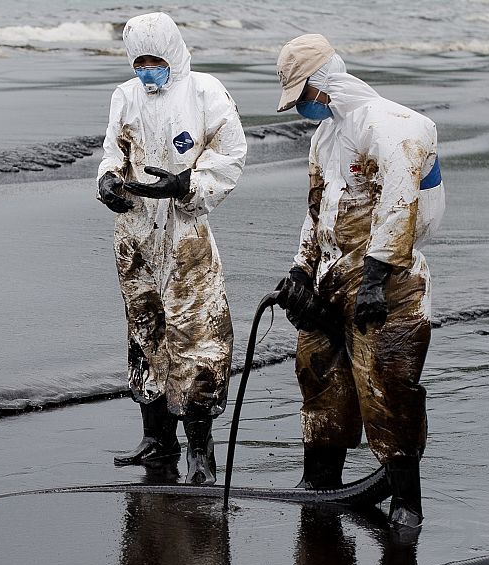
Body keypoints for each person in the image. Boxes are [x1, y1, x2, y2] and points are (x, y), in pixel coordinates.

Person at [274, 34, 446, 530]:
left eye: (304, 96)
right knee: (318, 374)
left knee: (388, 387)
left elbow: (399, 204)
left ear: (324, 84)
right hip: (334, 275)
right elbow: (317, 212)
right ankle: (320, 483)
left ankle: (405, 506)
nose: (304, 108)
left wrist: (374, 281)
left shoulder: (395, 125)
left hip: (389, 283)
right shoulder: (325, 137)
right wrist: (301, 271)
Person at [96, 12, 247, 484]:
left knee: (197, 336)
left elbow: (231, 155)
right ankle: (157, 437)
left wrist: (186, 183)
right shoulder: (125, 97)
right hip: (136, 233)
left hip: (185, 235)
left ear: (173, 53)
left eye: (154, 60)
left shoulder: (204, 92)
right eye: (138, 61)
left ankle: (200, 448)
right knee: (145, 331)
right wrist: (106, 181)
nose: (146, 70)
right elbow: (111, 151)